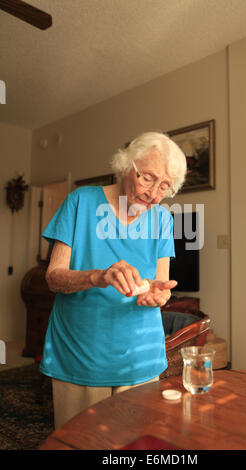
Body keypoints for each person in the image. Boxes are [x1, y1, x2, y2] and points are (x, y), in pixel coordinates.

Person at [40, 131, 187, 429]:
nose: (154, 194)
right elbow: (54, 278)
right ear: (125, 166)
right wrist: (99, 275)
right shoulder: (81, 202)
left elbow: (161, 285)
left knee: (136, 444)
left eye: (165, 186)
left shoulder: (163, 219)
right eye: (148, 178)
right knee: (79, 441)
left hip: (141, 357)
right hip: (81, 353)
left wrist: (158, 295)